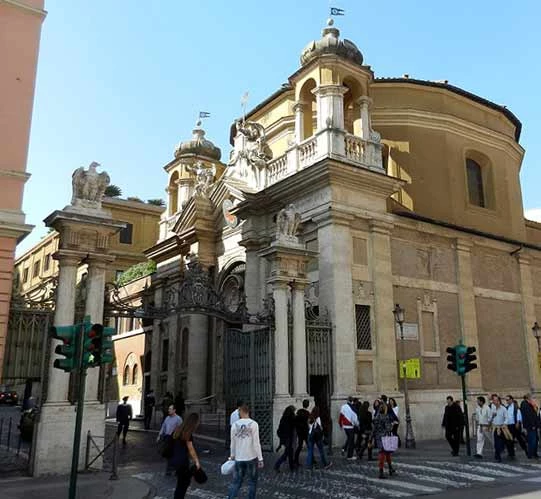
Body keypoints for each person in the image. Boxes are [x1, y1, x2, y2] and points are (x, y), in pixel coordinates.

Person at [228, 404, 264, 499]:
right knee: (252, 482)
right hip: (251, 457)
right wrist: (260, 458)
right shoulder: (254, 424)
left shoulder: (235, 425)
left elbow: (233, 442)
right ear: (248, 412)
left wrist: (232, 455)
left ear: (241, 412)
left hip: (239, 457)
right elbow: (256, 443)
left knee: (237, 482)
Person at [170, 413, 201, 499]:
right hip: (183, 462)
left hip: (175, 460)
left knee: (180, 485)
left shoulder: (178, 430)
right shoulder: (187, 434)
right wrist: (197, 462)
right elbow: (191, 449)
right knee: (183, 485)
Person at [157, 404, 183, 475]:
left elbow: (181, 429)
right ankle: (170, 468)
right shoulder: (167, 418)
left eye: (170, 409)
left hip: (174, 439)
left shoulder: (178, 419)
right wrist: (159, 435)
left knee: (173, 454)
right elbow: (163, 427)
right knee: (168, 454)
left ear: (174, 410)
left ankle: (172, 469)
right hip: (167, 437)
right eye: (169, 409)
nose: (168, 410)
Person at [373, 401, 396, 479]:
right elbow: (388, 428)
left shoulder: (376, 417)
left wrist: (371, 438)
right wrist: (392, 425)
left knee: (385, 453)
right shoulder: (386, 417)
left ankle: (390, 468)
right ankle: (381, 471)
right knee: (384, 453)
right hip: (385, 437)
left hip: (378, 437)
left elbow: (374, 428)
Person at [490, 395, 513, 462]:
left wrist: (505, 424)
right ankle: (498, 456)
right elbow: (489, 419)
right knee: (497, 443)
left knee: (506, 441)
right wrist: (492, 416)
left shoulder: (503, 409)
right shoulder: (492, 409)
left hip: (503, 428)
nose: (496, 402)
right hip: (496, 428)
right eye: (494, 400)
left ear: (499, 401)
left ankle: (510, 453)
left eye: (497, 400)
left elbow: (507, 418)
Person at [274, 405, 296, 472]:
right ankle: (276, 465)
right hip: (288, 438)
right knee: (287, 453)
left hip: (284, 438)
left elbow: (280, 429)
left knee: (290, 452)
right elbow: (292, 428)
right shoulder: (291, 418)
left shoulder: (283, 418)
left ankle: (292, 466)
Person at [520, 394, 539, 459]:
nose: (534, 400)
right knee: (532, 440)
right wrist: (533, 425)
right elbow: (529, 416)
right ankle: (530, 454)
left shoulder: (529, 404)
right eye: (533, 398)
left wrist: (534, 406)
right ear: (529, 399)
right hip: (530, 426)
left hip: (533, 425)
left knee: (535, 440)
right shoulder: (525, 405)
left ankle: (533, 453)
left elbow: (535, 413)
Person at [294, 399, 310, 467]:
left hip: (300, 432)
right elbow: (308, 423)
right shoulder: (307, 413)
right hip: (305, 432)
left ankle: (296, 460)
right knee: (309, 446)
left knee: (299, 446)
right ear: (308, 405)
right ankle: (312, 460)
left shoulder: (298, 412)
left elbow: (296, 422)